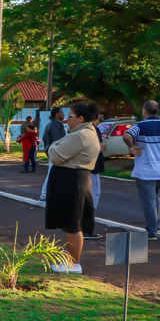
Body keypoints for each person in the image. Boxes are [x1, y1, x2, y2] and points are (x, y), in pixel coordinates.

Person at [45, 102, 101, 272]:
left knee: (73, 224)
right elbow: (57, 149)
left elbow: (54, 155)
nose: (67, 120)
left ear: (80, 118)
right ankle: (71, 262)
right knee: (72, 223)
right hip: (73, 179)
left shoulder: (81, 135)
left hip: (74, 181)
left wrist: (53, 147)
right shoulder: (82, 132)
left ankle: (73, 264)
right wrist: (55, 147)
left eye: (70, 116)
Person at [123, 100, 160, 241]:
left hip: (146, 170)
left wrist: (132, 147)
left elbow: (126, 135)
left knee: (149, 201)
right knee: (156, 198)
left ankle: (152, 231)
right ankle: (156, 224)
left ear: (144, 111)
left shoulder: (140, 126)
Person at [39, 106, 67, 202]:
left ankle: (51, 195)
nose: (64, 114)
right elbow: (58, 141)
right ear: (56, 114)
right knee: (52, 174)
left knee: (55, 174)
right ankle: (44, 195)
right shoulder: (56, 125)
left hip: (51, 152)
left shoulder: (49, 124)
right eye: (62, 112)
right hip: (56, 153)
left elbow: (44, 139)